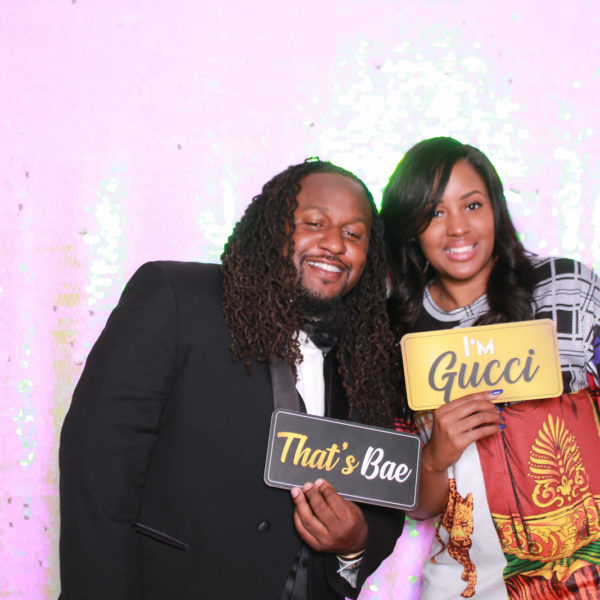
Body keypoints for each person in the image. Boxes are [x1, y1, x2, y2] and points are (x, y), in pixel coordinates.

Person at [58, 159, 405, 600]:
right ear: (273, 226)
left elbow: (384, 492)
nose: (335, 244)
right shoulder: (176, 298)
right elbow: (98, 467)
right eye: (314, 223)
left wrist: (355, 544)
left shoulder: (369, 355)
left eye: (354, 234)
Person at [381, 137, 600, 599]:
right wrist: (435, 456)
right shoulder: (398, 333)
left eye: (472, 205)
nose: (458, 227)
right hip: (469, 585)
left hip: (586, 573)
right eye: (434, 212)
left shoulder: (563, 285)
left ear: (495, 209)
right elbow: (420, 506)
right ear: (411, 227)